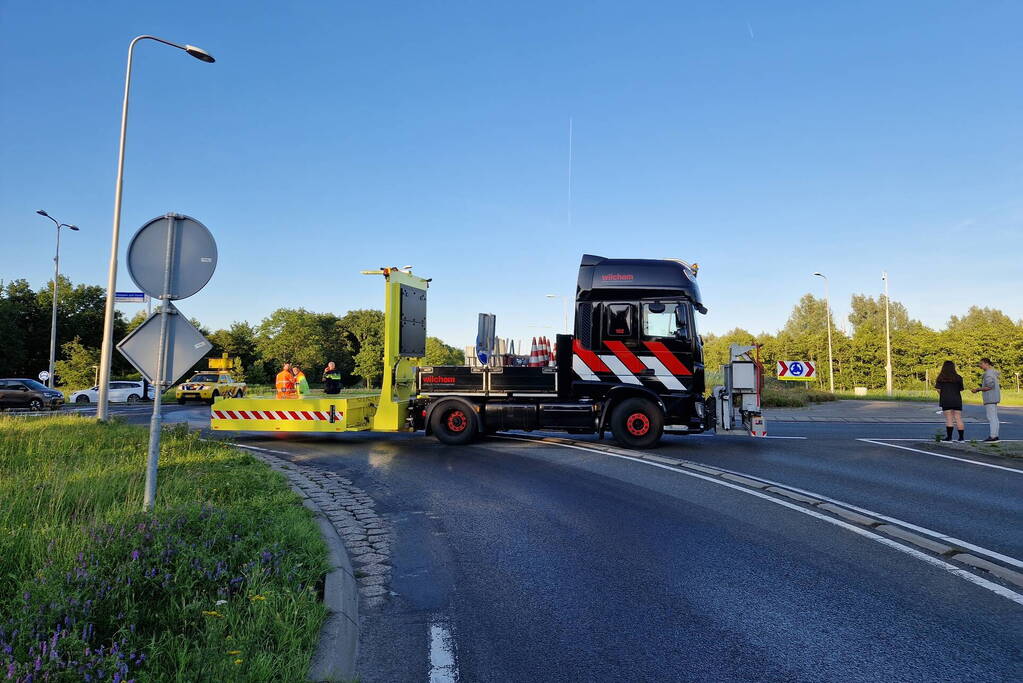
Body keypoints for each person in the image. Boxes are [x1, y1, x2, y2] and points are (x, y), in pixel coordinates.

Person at [971, 357, 1001, 442]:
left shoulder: (988, 374)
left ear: (986, 364)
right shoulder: (993, 373)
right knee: (994, 417)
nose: (980, 366)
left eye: (981, 364)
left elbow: (989, 386)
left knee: (991, 417)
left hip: (990, 398)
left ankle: (993, 436)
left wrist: (978, 389)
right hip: (994, 397)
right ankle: (995, 435)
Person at [934, 360, 965, 441]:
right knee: (958, 418)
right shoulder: (958, 377)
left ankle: (949, 437)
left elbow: (938, 389)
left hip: (946, 399)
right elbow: (961, 389)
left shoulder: (941, 377)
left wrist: (943, 394)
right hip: (956, 399)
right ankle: (961, 438)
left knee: (949, 418)